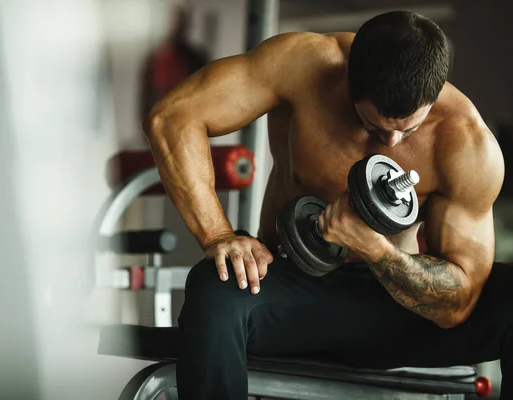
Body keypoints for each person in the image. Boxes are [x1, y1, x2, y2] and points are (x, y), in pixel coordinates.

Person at [143, 11, 512, 400]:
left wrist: (377, 250)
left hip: (396, 312)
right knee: (215, 286)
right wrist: (217, 235)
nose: (391, 143)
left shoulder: (467, 144)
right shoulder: (304, 66)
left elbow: (457, 304)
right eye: (372, 125)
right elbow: (172, 117)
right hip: (292, 297)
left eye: (408, 129)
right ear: (351, 76)